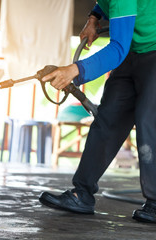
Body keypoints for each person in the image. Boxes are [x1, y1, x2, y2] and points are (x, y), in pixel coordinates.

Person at [38, 0, 156, 223]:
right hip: (133, 52)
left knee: (149, 123)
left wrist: (75, 70)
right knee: (107, 120)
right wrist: (94, 17)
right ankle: (81, 194)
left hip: (149, 50)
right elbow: (106, 2)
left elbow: (117, 48)